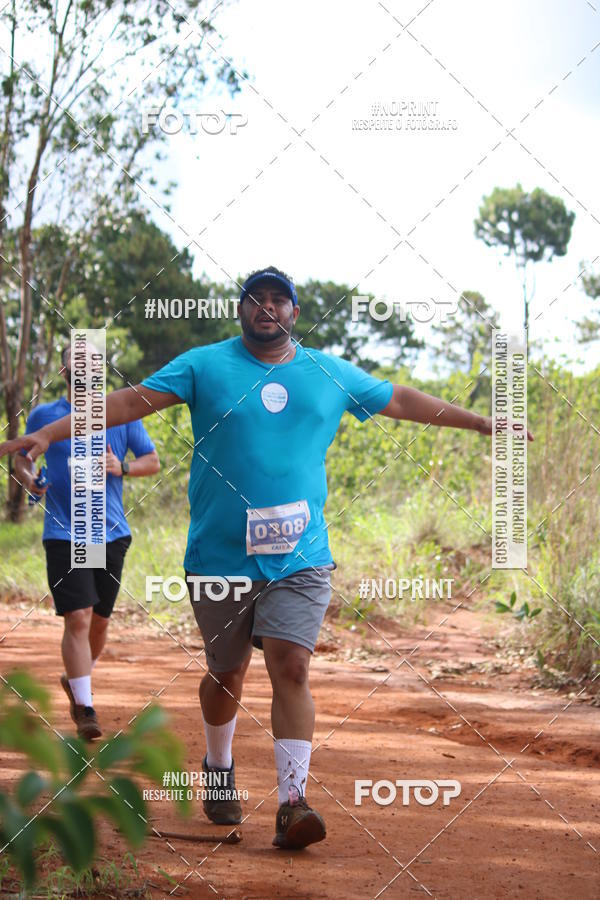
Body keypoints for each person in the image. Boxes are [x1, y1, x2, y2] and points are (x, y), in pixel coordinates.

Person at [1, 266, 532, 848]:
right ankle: (218, 767)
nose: (268, 306)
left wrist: (484, 422)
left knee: (292, 666)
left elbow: (400, 397)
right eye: (256, 298)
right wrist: (51, 434)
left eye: (280, 299)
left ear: (295, 313)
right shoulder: (204, 365)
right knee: (226, 675)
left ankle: (292, 802)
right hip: (219, 556)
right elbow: (127, 403)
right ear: (242, 311)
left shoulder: (327, 371)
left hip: (301, 557)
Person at [12, 345, 160, 741]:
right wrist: (30, 480)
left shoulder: (120, 412)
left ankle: (76, 679)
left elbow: (152, 460)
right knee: (77, 617)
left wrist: (122, 466)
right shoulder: (45, 415)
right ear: (64, 371)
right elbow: (21, 459)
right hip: (64, 530)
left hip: (109, 531)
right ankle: (85, 707)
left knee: (98, 622)